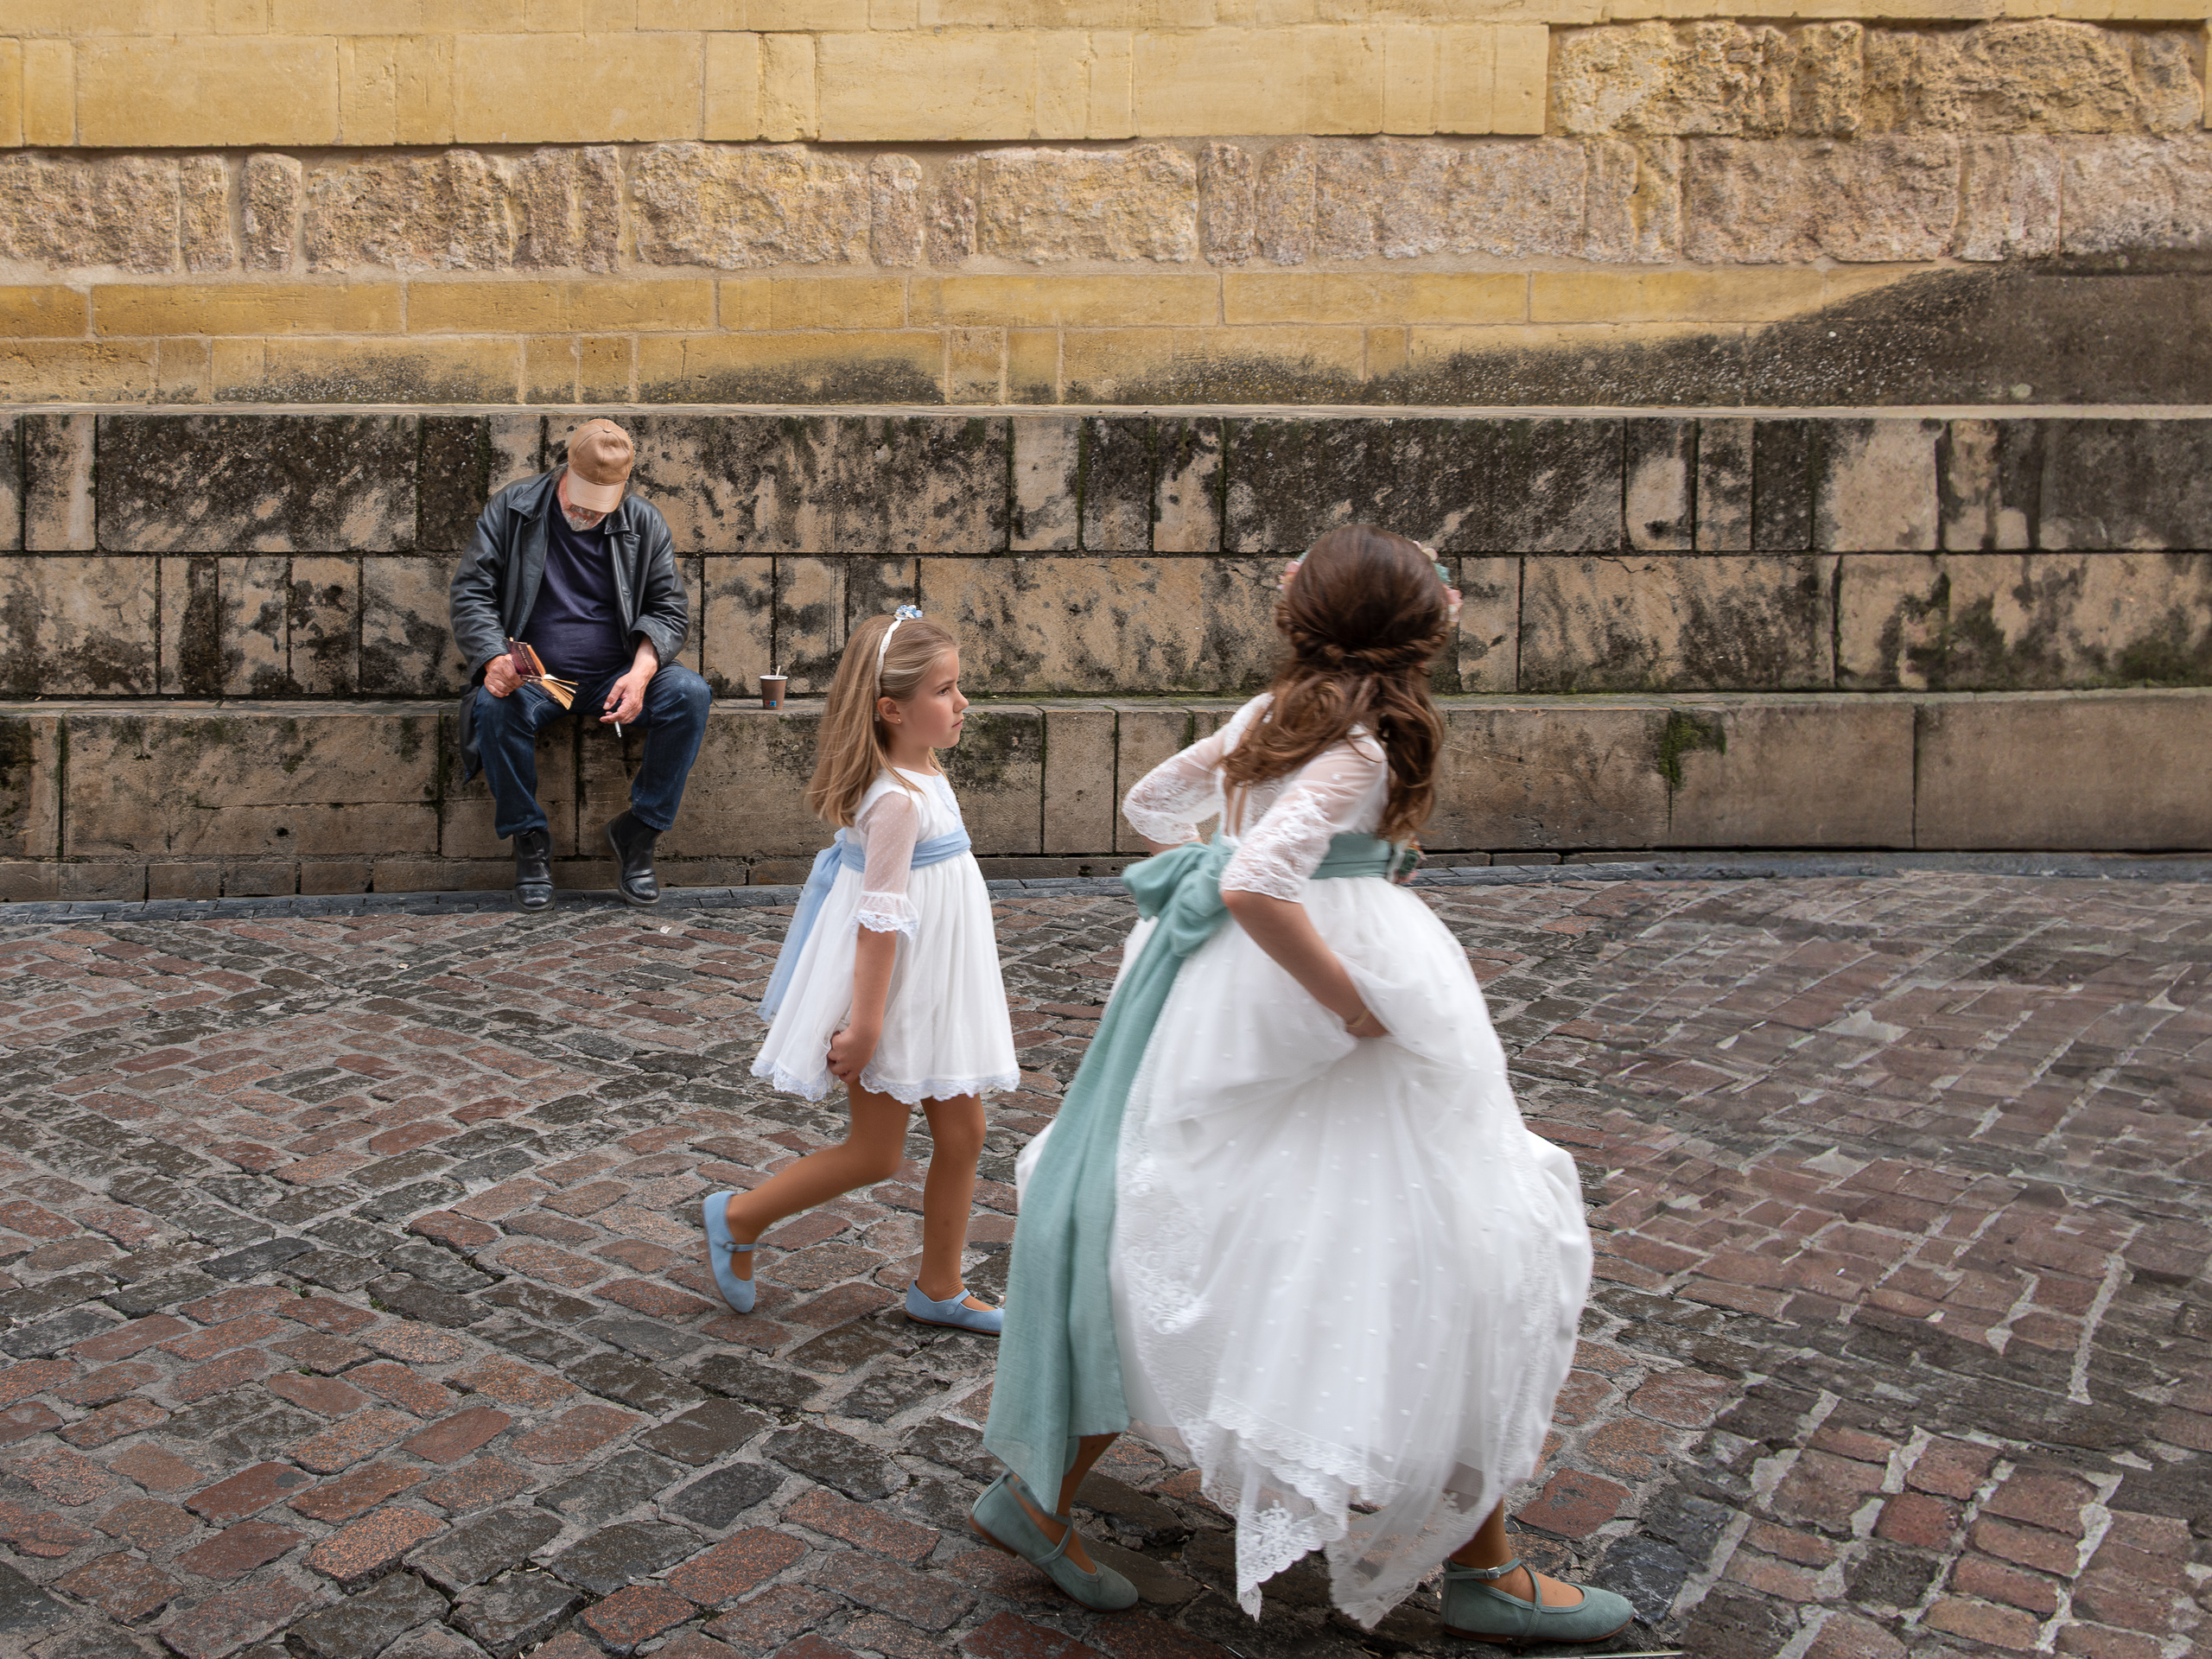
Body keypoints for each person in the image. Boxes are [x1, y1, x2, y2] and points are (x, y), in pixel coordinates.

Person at [976, 527, 1630, 1643]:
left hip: (1226, 996)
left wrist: (1243, 875)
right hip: (1331, 990)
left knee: (1201, 1226)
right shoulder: (1360, 748)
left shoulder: (1272, 714)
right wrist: (1354, 1004)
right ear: (1416, 632)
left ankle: (1043, 1489)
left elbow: (1153, 804)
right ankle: (1483, 1569)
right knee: (1449, 1241)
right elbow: (1257, 882)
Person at [701, 607, 1018, 1336]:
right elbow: (877, 924)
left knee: (964, 1135)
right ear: (891, 709)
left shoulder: (925, 774)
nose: (963, 702)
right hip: (897, 997)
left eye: (957, 686)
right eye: (945, 690)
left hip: (938, 989)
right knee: (876, 1153)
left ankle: (939, 1286)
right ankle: (738, 1216)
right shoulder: (896, 802)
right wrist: (866, 1025)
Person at [449, 417, 712, 911]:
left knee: (691, 694)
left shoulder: (643, 520)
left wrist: (641, 673)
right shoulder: (514, 506)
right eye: (580, 501)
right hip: (537, 677)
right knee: (494, 705)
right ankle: (529, 840)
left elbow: (669, 609)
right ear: (565, 470)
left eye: (601, 505)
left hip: (616, 670)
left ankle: (640, 832)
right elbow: (472, 591)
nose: (588, 513)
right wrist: (493, 657)